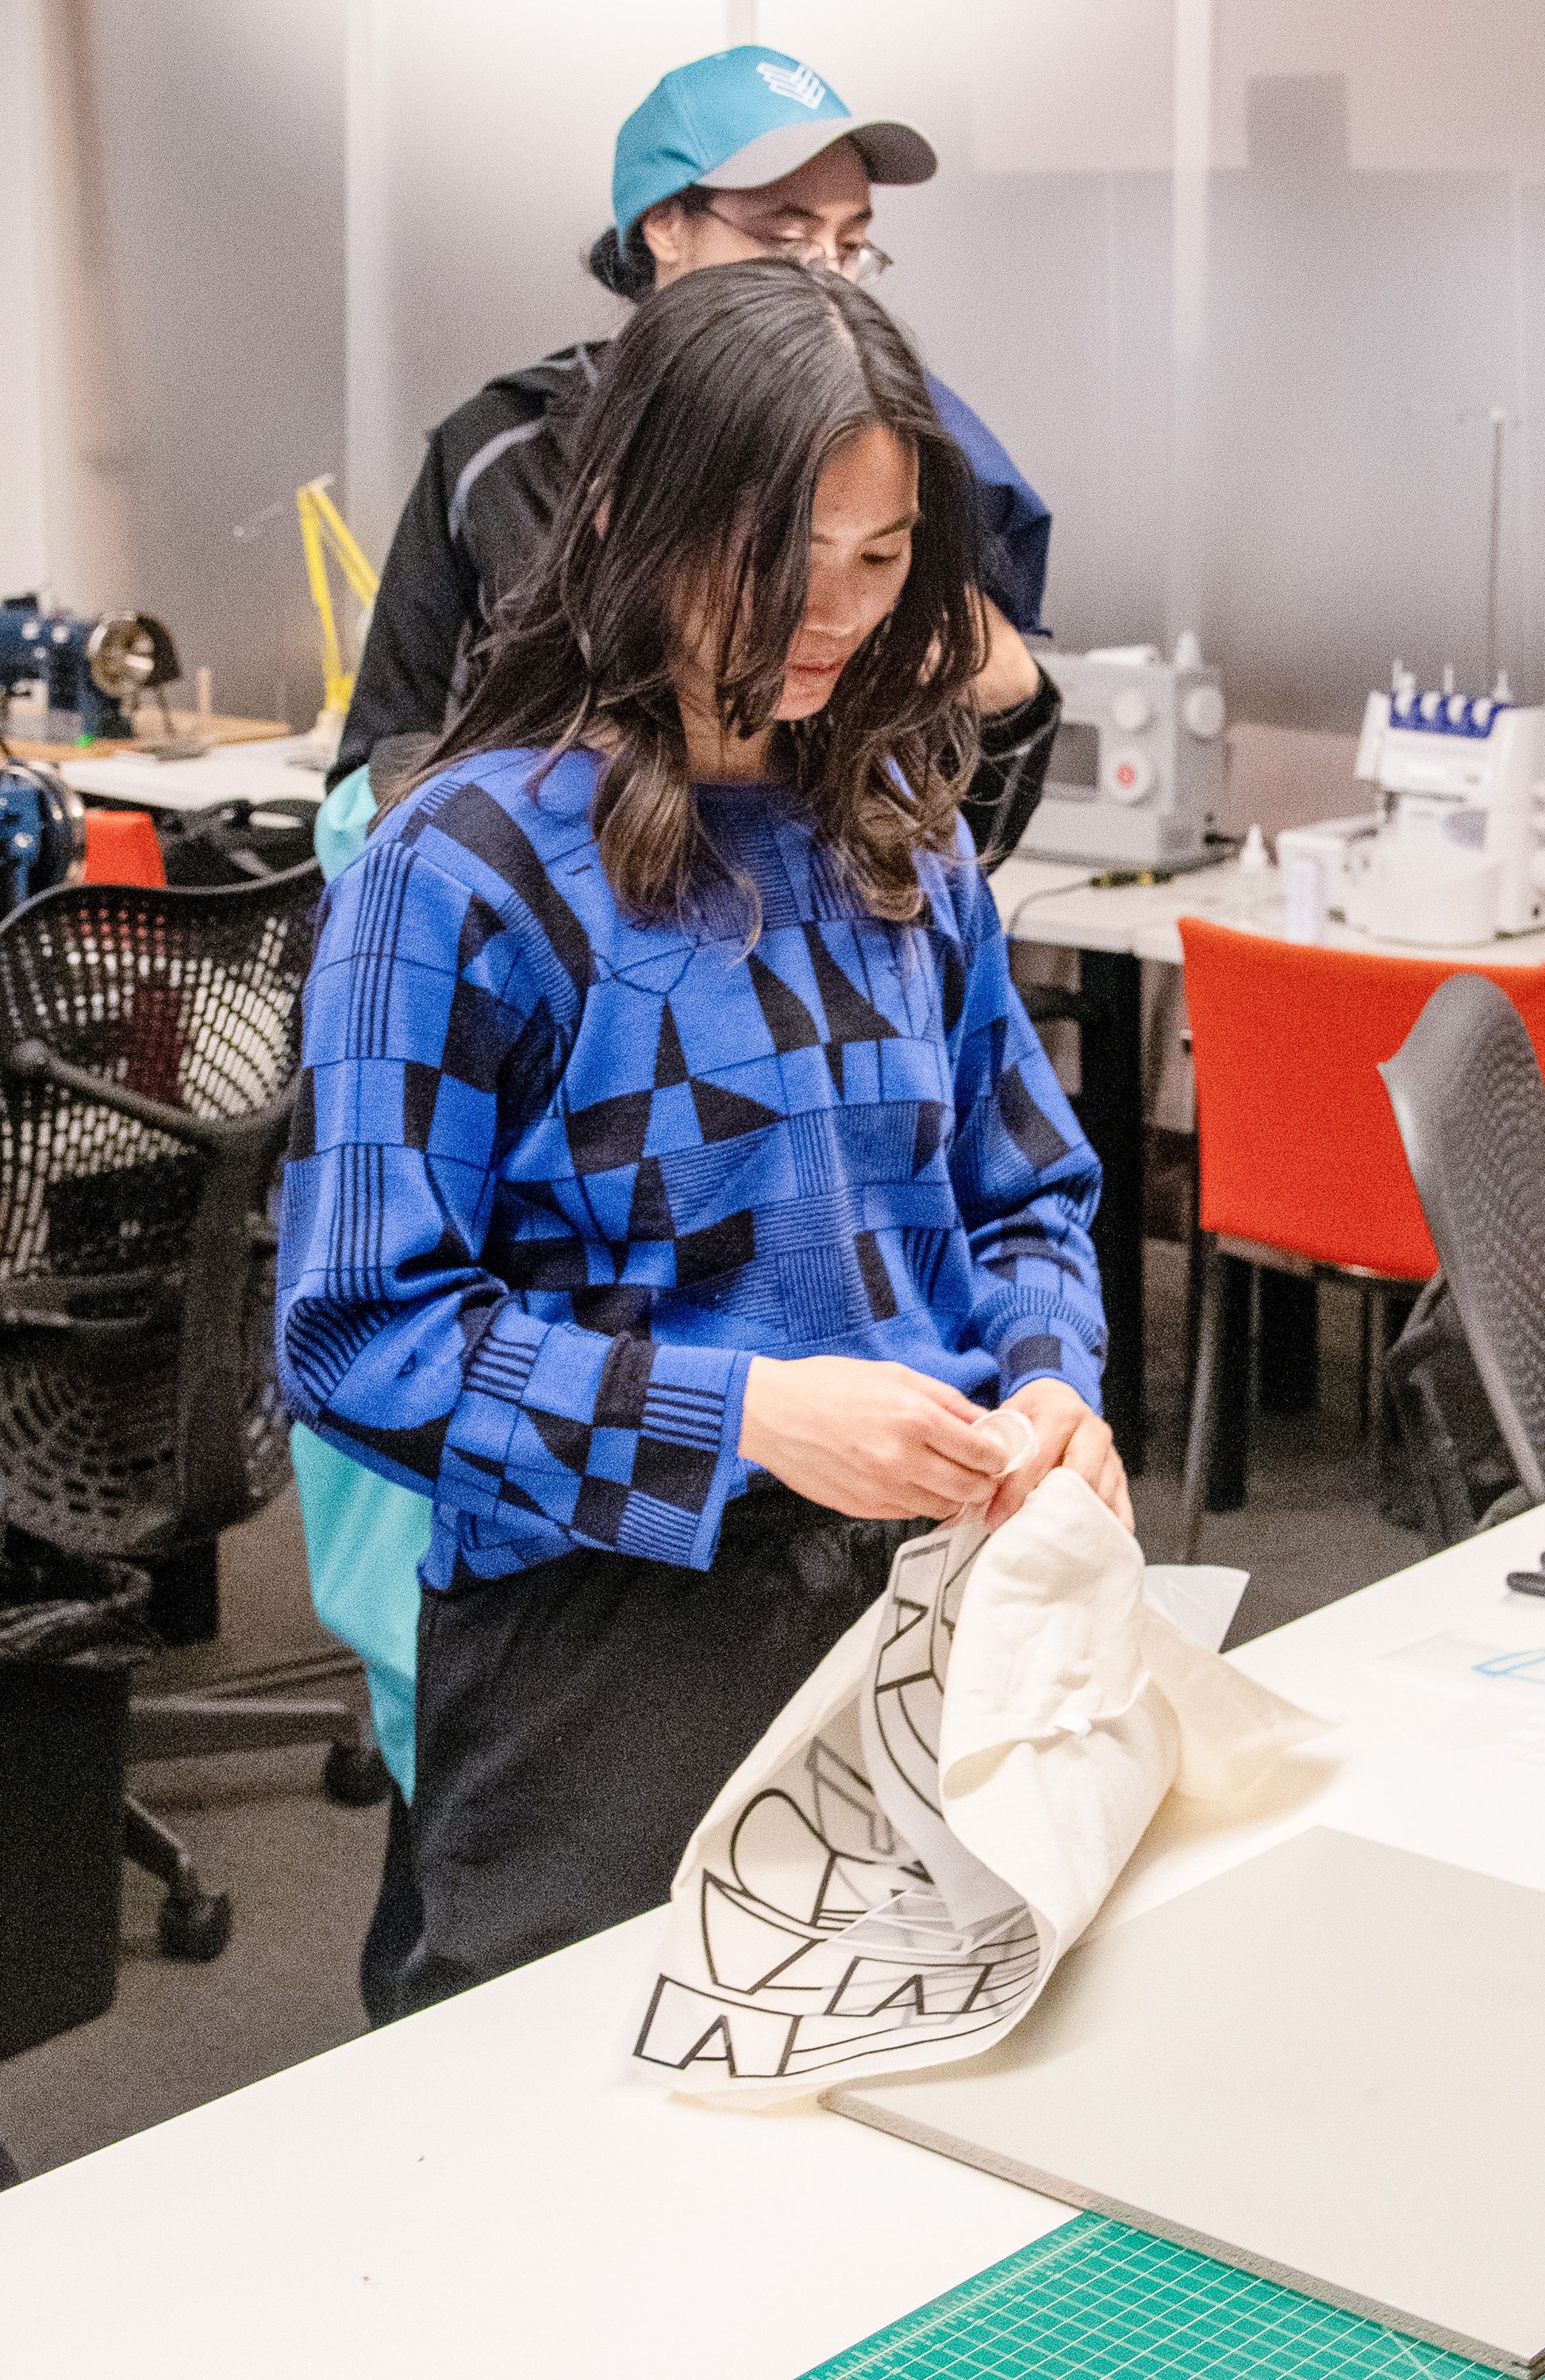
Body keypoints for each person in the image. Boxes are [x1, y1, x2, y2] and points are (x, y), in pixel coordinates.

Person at [297, 44, 1074, 2021]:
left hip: (917, 1610)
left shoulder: (900, 838)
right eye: (779, 551)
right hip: (605, 1652)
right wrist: (749, 1418)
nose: (833, 614)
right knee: (581, 2135)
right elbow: (364, 1333)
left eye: (880, 560)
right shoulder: (463, 868)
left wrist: (1050, 1382)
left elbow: (1024, 1197)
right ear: (638, 511)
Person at [319, 42, 1062, 869]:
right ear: (664, 225)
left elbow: (949, 837)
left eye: (850, 245)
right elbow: (378, 771)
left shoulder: (892, 439)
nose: (827, 279)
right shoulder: (515, 451)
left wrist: (1004, 696)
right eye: (787, 238)